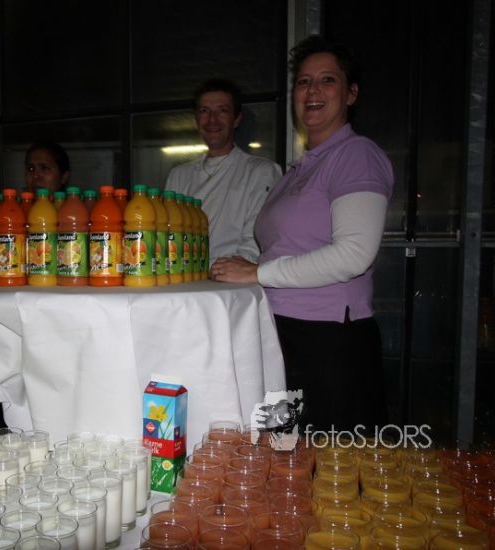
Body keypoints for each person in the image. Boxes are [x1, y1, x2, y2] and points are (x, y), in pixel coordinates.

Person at [210, 35, 394, 434]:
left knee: (326, 462)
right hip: (284, 331)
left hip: (328, 342)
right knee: (283, 451)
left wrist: (257, 273)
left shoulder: (355, 155)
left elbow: (354, 255)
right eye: (304, 82)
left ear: (351, 93)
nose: (312, 91)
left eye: (327, 80)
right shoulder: (300, 169)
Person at [165, 79, 282, 266]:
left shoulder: (262, 171)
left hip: (231, 276)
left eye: (222, 110)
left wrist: (230, 269)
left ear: (236, 119)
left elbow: (256, 240)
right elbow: (167, 234)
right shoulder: (179, 175)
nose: (212, 119)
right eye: (204, 111)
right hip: (183, 275)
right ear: (196, 119)